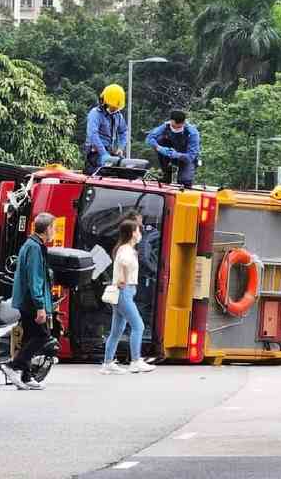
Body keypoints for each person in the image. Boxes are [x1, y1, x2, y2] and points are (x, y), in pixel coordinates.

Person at [2, 212, 57, 390]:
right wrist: (40, 306)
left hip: (27, 299)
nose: (55, 231)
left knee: (28, 336)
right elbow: (35, 279)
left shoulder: (32, 244)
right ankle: (14, 366)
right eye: (54, 228)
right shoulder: (34, 248)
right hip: (31, 301)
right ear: (47, 229)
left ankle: (26, 376)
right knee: (42, 336)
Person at [100, 219, 156, 375]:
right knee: (138, 326)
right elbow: (124, 263)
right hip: (124, 292)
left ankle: (108, 363)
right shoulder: (126, 249)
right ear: (132, 233)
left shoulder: (125, 248)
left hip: (125, 292)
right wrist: (123, 279)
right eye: (138, 231)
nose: (140, 234)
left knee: (117, 330)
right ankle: (135, 361)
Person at [145, 110, 201, 188]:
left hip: (186, 158)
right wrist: (159, 148)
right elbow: (149, 138)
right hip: (169, 154)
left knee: (184, 182)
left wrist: (174, 154)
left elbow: (191, 156)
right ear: (171, 121)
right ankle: (166, 174)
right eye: (174, 126)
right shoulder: (166, 126)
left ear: (183, 123)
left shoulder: (192, 133)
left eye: (178, 127)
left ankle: (185, 181)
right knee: (160, 140)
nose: (175, 129)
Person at [84, 84, 129, 175]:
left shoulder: (118, 115)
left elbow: (124, 132)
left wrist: (121, 147)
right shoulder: (95, 114)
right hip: (95, 153)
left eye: (117, 107)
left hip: (110, 151)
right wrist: (103, 153)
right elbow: (93, 134)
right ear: (105, 101)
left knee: (125, 169)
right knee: (108, 169)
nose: (115, 109)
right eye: (113, 106)